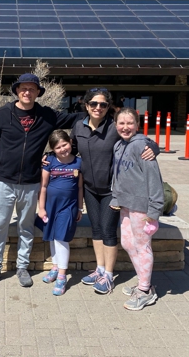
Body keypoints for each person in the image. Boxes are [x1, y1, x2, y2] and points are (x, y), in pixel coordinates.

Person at [0, 73, 84, 289]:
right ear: (17, 91)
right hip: (4, 181)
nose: (27, 92)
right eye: (23, 88)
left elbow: (75, 118)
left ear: (38, 92)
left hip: (30, 183)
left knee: (26, 227)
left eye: (32, 89)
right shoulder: (3, 114)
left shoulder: (46, 115)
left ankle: (22, 267)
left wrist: (100, 112)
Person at [70, 87, 159, 294]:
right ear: (86, 105)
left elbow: (140, 140)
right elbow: (71, 149)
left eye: (103, 104)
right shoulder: (78, 127)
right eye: (94, 104)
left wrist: (154, 148)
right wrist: (50, 156)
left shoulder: (115, 127)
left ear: (108, 107)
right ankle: (99, 269)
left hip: (112, 190)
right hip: (91, 189)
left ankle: (109, 275)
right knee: (96, 229)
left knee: (108, 231)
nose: (98, 108)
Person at [110, 107, 164, 311]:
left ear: (137, 125)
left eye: (130, 123)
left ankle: (145, 290)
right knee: (127, 242)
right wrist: (115, 197)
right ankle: (144, 282)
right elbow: (117, 174)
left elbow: (155, 179)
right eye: (121, 123)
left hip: (142, 207)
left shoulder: (142, 146)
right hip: (125, 204)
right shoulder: (118, 145)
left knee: (142, 246)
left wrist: (154, 210)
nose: (125, 127)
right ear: (116, 125)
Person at [37, 130, 83, 296]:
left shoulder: (78, 163)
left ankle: (62, 277)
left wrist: (79, 207)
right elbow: (43, 186)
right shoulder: (49, 161)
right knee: (52, 236)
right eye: (58, 147)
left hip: (68, 207)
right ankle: (55, 267)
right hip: (51, 206)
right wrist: (41, 208)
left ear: (70, 142)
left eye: (65, 144)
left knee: (61, 238)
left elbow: (79, 187)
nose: (63, 149)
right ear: (52, 149)